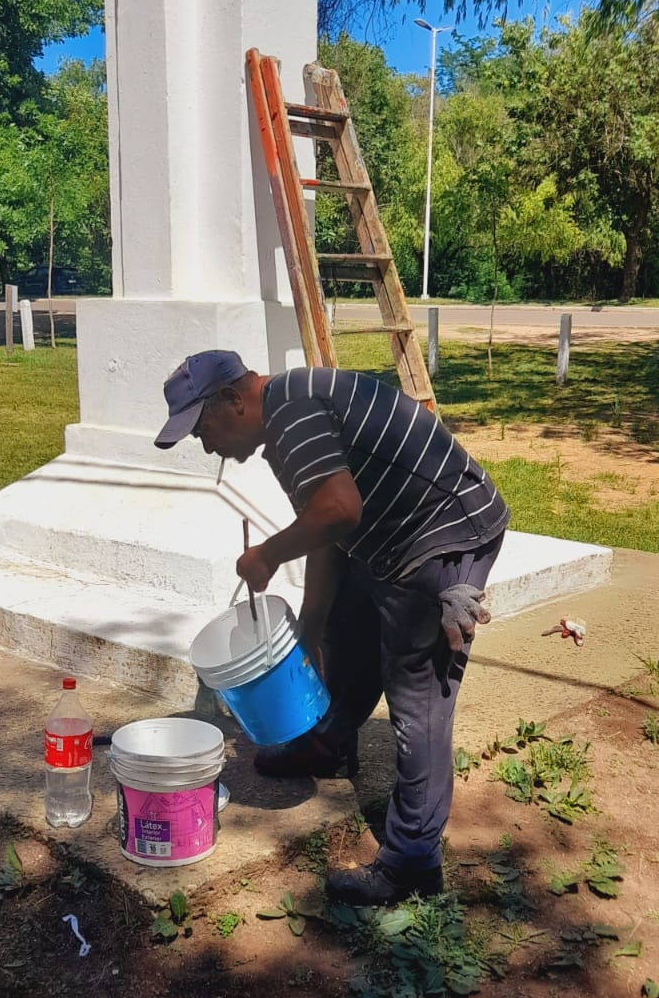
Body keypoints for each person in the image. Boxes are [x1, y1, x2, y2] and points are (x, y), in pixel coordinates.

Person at [155, 350, 509, 906]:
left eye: (203, 428)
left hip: (445, 533)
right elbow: (327, 526)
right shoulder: (284, 416)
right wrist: (312, 627)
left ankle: (412, 863)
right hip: (392, 535)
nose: (206, 445)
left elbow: (339, 510)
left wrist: (267, 557)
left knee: (418, 694)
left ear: (232, 399)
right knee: (348, 627)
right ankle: (328, 741)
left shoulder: (292, 413)